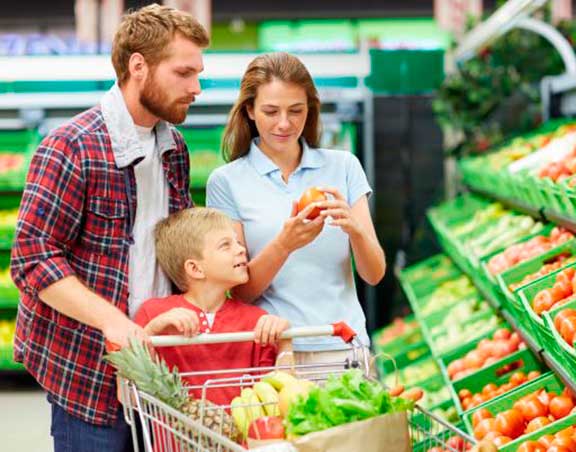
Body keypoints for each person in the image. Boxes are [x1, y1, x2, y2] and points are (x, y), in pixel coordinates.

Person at [9, 4, 208, 451]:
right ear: (139, 66)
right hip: (87, 370)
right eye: (183, 73)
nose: (196, 87)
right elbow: (32, 259)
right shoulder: (70, 146)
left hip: (158, 372)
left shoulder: (172, 145)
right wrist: (114, 323)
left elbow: (173, 248)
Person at [206, 52, 386, 365]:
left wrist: (355, 230)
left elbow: (374, 274)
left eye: (296, 111)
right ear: (249, 110)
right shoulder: (226, 181)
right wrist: (285, 244)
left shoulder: (344, 167)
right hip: (273, 355)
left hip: (344, 348)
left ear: (310, 110)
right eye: (271, 111)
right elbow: (239, 293)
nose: (284, 123)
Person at [134, 207, 293, 405]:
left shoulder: (256, 320)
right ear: (195, 268)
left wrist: (285, 340)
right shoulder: (154, 313)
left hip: (241, 435)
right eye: (226, 245)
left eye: (237, 242)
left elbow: (279, 398)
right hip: (175, 435)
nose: (241, 249)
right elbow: (130, 397)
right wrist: (152, 330)